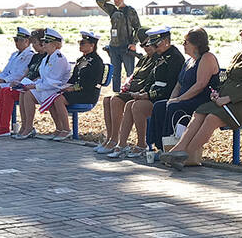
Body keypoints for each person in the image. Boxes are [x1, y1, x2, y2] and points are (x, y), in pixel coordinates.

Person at [160, 15, 242, 171]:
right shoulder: (241, 55)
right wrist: (218, 93)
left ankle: (185, 155)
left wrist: (228, 98)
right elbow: (228, 79)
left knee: (212, 118)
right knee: (200, 112)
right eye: (241, 31)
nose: (240, 34)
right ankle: (177, 150)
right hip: (229, 102)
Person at [107, 27, 184, 159]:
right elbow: (151, 80)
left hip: (164, 97)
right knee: (130, 103)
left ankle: (142, 144)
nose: (153, 47)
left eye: (155, 43)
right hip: (154, 94)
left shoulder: (175, 58)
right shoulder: (162, 56)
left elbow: (170, 86)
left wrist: (148, 95)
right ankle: (122, 144)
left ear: (166, 41)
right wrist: (143, 92)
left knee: (137, 106)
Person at [146, 27, 220, 153]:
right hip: (185, 98)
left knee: (175, 107)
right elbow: (178, 85)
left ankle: (173, 147)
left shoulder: (207, 58)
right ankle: (161, 146)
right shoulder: (189, 61)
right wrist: (172, 99)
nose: (183, 45)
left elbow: (200, 85)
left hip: (201, 99)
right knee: (160, 106)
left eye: (186, 42)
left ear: (196, 44)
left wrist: (179, 99)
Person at [94, 31, 151, 154]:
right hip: (134, 90)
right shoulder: (145, 58)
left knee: (116, 100)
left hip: (142, 93)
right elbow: (134, 75)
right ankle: (110, 137)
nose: (146, 48)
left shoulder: (157, 58)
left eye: (148, 44)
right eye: (143, 46)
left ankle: (116, 139)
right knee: (107, 99)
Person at [44, 31, 106, 140]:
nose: (80, 45)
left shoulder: (96, 61)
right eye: (80, 42)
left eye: (83, 43)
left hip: (87, 93)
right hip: (77, 91)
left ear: (92, 45)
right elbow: (73, 78)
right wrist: (64, 87)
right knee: (52, 96)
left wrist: (72, 88)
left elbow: (91, 84)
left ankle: (66, 129)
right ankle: (59, 128)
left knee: (59, 100)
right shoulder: (81, 60)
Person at [0, 29, 48, 138]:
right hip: (26, 85)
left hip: (36, 87)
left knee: (10, 92)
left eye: (34, 43)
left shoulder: (47, 57)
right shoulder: (35, 57)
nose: (33, 46)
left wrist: (28, 84)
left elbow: (43, 76)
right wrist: (19, 83)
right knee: (6, 91)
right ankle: (2, 126)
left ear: (43, 43)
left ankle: (25, 126)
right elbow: (27, 73)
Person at [13, 28, 71, 139]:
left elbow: (54, 82)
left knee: (29, 94)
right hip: (46, 88)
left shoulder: (59, 59)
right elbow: (44, 78)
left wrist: (35, 86)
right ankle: (25, 126)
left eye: (46, 42)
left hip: (55, 90)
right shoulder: (47, 58)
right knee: (23, 92)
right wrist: (28, 84)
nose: (43, 44)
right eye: (43, 41)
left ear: (55, 45)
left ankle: (29, 127)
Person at [96, 0, 142, 92]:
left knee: (130, 73)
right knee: (115, 73)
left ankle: (130, 94)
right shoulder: (112, 9)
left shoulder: (130, 11)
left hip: (126, 48)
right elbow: (99, 1)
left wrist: (134, 43)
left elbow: (138, 28)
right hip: (113, 47)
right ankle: (116, 94)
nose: (117, 0)